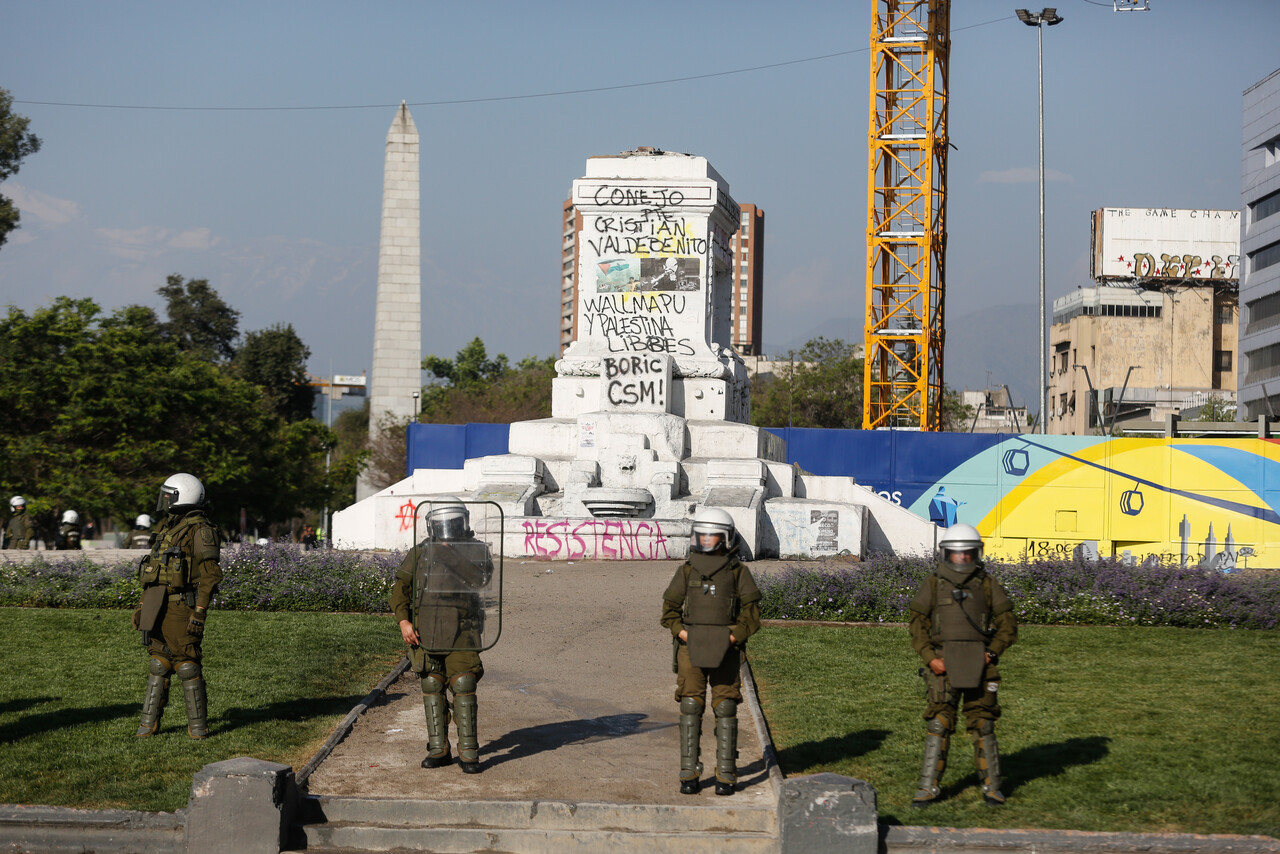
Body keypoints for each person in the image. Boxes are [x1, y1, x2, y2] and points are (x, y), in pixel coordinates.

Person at [908, 523, 1018, 808]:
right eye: (956, 554)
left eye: (967, 553)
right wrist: (930, 657)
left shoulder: (987, 583)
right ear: (946, 554)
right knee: (939, 723)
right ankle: (927, 787)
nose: (962, 558)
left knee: (983, 724)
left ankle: (992, 787)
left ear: (976, 553)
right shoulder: (933, 583)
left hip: (981, 664)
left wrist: (991, 654)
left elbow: (1008, 626)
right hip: (942, 664)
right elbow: (917, 624)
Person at [660, 507, 761, 796]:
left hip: (726, 651)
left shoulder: (738, 572)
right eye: (701, 536)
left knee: (726, 708)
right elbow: (669, 611)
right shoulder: (687, 570)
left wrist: (732, 638)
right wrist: (682, 633)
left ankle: (726, 775)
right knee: (690, 705)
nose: (705, 541)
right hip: (689, 649)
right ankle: (688, 773)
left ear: (726, 539)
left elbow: (751, 614)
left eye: (712, 537)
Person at [390, 498, 494, 774]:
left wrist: (449, 553)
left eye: (451, 524)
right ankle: (439, 748)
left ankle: (469, 750)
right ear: (432, 525)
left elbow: (480, 580)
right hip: (427, 630)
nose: (447, 528)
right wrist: (403, 621)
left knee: (463, 684)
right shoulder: (421, 552)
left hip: (464, 632)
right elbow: (400, 590)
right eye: (441, 524)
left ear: (463, 522)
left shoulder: (476, 550)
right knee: (432, 686)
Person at [132, 473, 222, 739]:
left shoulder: (200, 530)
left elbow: (210, 576)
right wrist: (142, 606)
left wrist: (200, 612)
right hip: (157, 604)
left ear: (183, 495)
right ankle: (148, 725)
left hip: (182, 606)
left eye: (169, 495)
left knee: (186, 664)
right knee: (158, 662)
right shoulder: (170, 527)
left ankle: (197, 728)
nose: (165, 500)